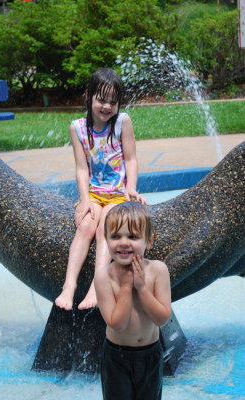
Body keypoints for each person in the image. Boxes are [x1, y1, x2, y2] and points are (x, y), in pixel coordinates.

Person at [55, 68, 147, 311]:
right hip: (94, 193)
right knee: (86, 225)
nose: (107, 106)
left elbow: (131, 159)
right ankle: (69, 286)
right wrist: (84, 200)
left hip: (117, 194)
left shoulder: (122, 123)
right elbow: (82, 168)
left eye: (113, 102)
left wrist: (131, 188)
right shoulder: (77, 128)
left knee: (106, 226)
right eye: (101, 100)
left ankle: (97, 284)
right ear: (88, 96)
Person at [95, 201, 171, 400]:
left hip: (150, 354)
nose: (123, 242)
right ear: (106, 239)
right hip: (116, 356)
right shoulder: (104, 277)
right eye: (115, 236)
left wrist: (142, 288)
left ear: (150, 240)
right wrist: (127, 287)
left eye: (133, 236)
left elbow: (162, 318)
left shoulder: (158, 270)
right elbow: (117, 324)